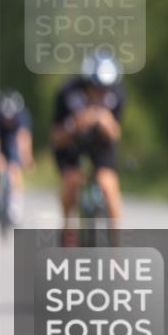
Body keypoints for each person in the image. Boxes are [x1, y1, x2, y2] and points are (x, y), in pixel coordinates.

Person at [51, 50, 125, 245]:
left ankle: (116, 247)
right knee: (72, 182)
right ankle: (67, 229)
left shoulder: (118, 94)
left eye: (105, 88)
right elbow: (56, 138)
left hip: (101, 145)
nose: (101, 92)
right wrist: (75, 125)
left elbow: (116, 134)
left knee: (108, 185)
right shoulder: (66, 93)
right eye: (96, 87)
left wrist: (107, 124)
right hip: (72, 144)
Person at [0, 89, 34, 227]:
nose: (8, 121)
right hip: (0, 139)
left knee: (15, 169)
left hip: (13, 140)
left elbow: (24, 138)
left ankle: (16, 202)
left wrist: (26, 158)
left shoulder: (23, 117)